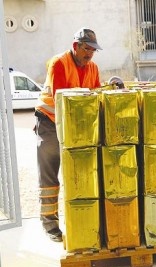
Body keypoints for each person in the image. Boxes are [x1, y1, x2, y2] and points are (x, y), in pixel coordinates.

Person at [34, 27, 102, 242]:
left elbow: (97, 96)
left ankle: (82, 220)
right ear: (75, 46)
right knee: (50, 176)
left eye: (93, 50)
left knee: (80, 175)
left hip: (77, 126)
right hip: (50, 124)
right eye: (87, 49)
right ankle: (50, 224)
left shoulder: (93, 67)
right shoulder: (59, 63)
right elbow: (61, 102)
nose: (90, 54)